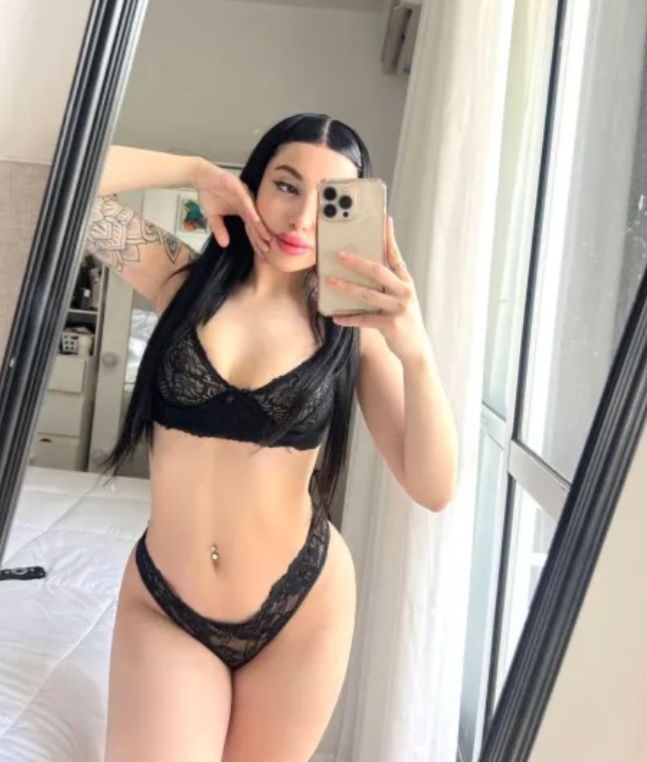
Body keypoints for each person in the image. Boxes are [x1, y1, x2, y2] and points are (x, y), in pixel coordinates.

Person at [86, 114, 458, 762]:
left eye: (330, 201)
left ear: (354, 214)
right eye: (286, 185)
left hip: (301, 612)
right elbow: (67, 184)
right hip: (167, 604)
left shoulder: (351, 332)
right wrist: (195, 171)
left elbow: (433, 488)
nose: (301, 218)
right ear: (253, 184)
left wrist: (416, 351)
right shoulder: (179, 281)